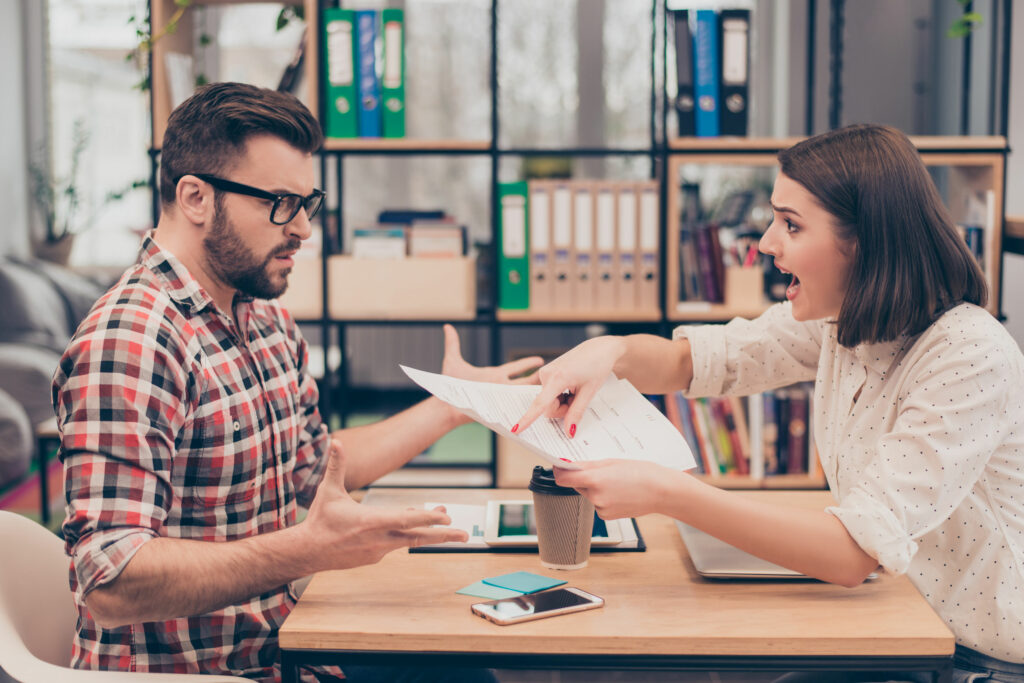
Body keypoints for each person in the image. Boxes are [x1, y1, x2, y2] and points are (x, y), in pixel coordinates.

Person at [52, 82, 540, 683]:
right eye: (281, 204)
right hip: (195, 672)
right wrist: (310, 550)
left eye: (308, 204)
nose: (304, 229)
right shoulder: (132, 339)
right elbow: (112, 580)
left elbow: (308, 468)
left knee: (463, 666)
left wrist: (453, 405)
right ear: (196, 197)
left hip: (288, 649)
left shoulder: (263, 317)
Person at [514, 124, 1024, 682]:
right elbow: (703, 360)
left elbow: (855, 553)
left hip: (982, 661)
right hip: (906, 625)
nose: (765, 243)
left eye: (791, 224)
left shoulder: (970, 355)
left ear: (865, 242)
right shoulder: (842, 321)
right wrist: (609, 350)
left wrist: (666, 490)